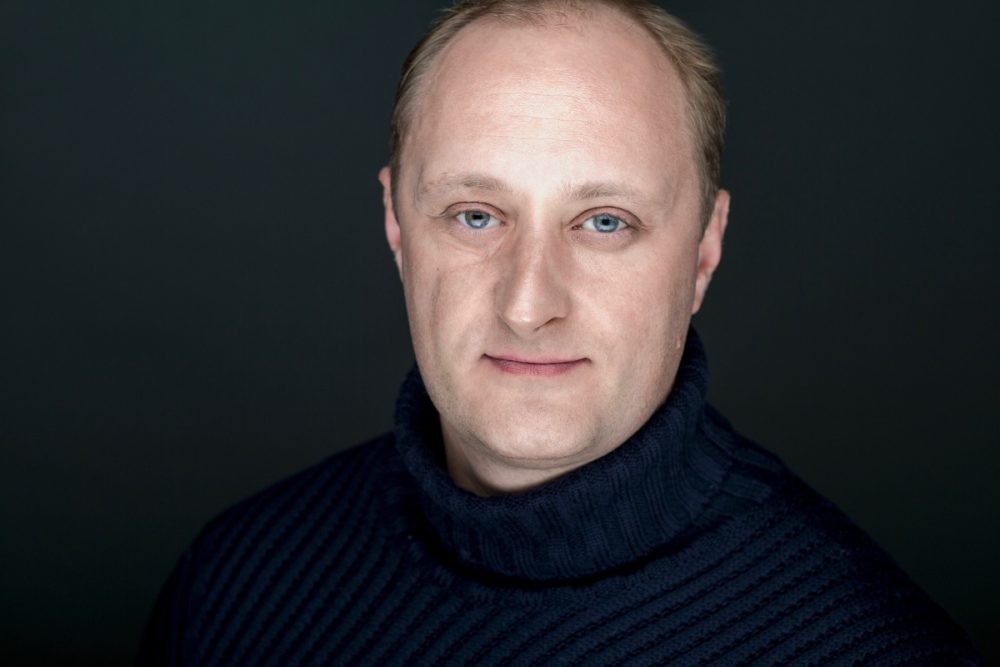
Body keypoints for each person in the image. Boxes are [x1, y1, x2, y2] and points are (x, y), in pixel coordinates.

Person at [139, 0, 980, 664]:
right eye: (475, 215)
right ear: (397, 229)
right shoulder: (234, 579)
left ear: (704, 251)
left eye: (605, 221)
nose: (527, 304)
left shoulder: (869, 647)